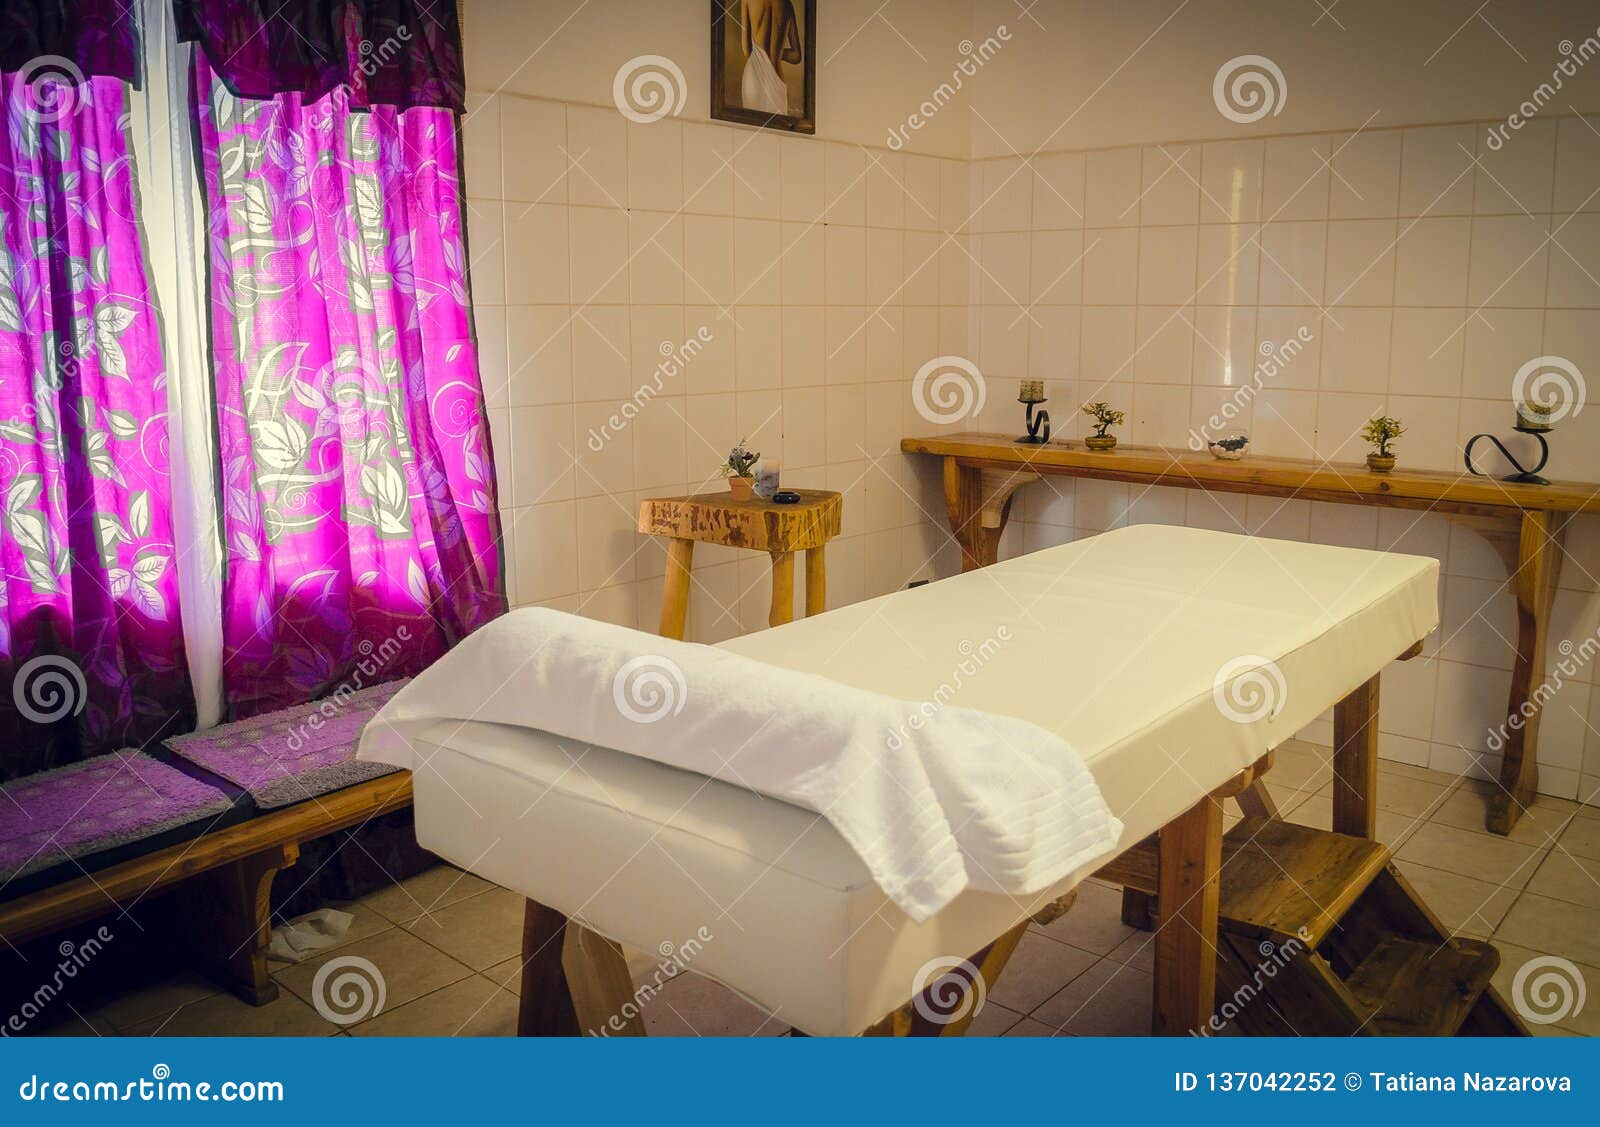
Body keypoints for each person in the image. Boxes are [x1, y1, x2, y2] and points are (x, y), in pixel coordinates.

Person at [740, 0, 801, 115]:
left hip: (754, 76)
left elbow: (746, 50)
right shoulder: (787, 5)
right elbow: (796, 56)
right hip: (776, 77)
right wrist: (776, 53)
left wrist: (762, 54)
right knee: (777, 128)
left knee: (750, 128)